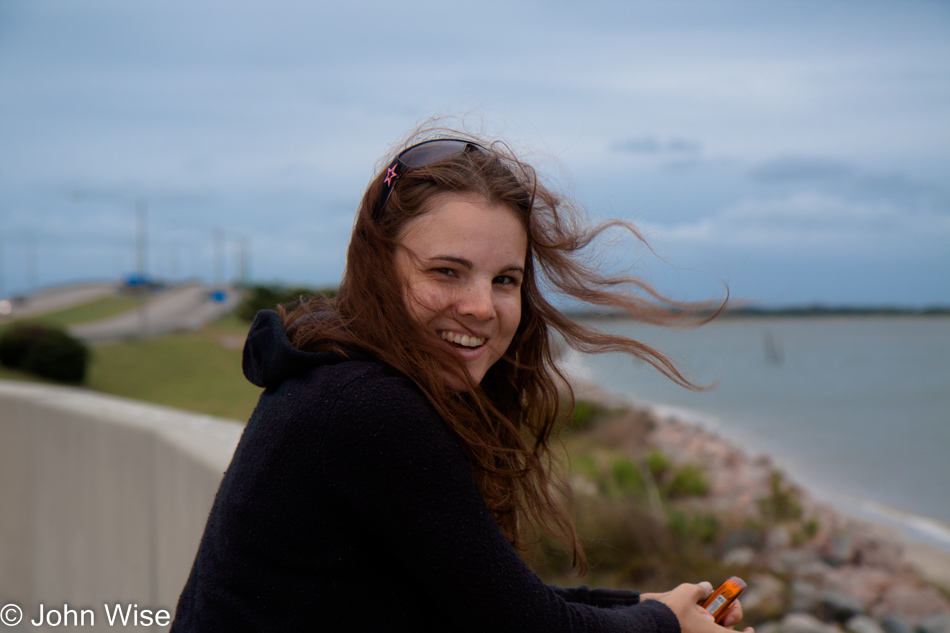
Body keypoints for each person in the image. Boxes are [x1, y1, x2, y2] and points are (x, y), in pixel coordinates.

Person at [170, 127, 746, 632]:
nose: (481, 308)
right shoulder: (366, 408)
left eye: (505, 280)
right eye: (446, 271)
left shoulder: (335, 374)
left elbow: (482, 601)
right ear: (378, 264)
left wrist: (652, 607)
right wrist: (662, 626)